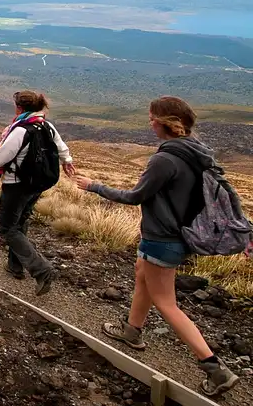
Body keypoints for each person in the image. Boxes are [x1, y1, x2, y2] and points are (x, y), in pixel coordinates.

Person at [75, 96, 238, 396]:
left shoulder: (164, 159)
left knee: (166, 303)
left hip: (162, 239)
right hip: (178, 235)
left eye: (152, 117)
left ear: (166, 122)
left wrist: (93, 186)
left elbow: (134, 196)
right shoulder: (195, 151)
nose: (149, 122)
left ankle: (216, 369)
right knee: (142, 275)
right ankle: (131, 331)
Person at [0, 90, 74, 295]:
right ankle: (15, 266)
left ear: (19, 107)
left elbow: (0, 157)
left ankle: (42, 270)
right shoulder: (45, 125)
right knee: (21, 221)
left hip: (18, 184)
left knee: (8, 227)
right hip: (37, 184)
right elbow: (61, 147)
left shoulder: (21, 130)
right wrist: (67, 162)